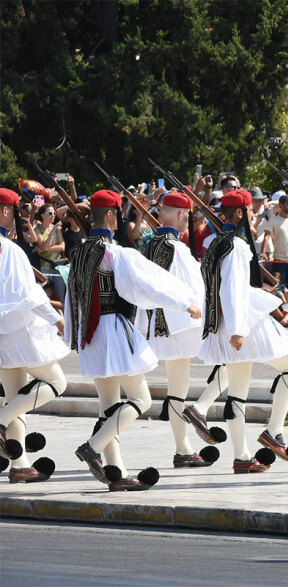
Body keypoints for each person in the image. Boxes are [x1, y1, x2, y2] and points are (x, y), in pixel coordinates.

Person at [67, 190, 202, 491]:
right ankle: (93, 445)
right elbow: (147, 284)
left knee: (108, 406)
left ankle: (116, 473)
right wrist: (183, 302)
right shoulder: (114, 253)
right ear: (112, 215)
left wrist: (75, 338)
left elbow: (71, 302)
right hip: (113, 330)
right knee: (141, 399)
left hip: (90, 338)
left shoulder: (79, 254)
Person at [196, 189, 288, 474]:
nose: (254, 213)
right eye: (249, 210)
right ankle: (274, 430)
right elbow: (232, 288)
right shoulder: (235, 245)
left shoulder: (216, 242)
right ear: (239, 213)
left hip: (224, 321)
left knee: (237, 392)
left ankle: (242, 456)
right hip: (241, 321)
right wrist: (237, 329)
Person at [136, 192, 223, 468]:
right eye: (189, 216)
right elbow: (194, 288)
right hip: (184, 323)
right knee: (234, 359)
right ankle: (201, 408)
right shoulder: (177, 248)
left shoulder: (150, 245)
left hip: (161, 327)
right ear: (183, 214)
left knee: (176, 389)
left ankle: (183, 449)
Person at [0, 188, 69, 483]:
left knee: (16, 398)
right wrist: (57, 318)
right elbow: (29, 295)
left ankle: (20, 465)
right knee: (56, 381)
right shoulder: (10, 250)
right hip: (16, 331)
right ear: (6, 211)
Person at [261, 194, 288, 313]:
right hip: (279, 259)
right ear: (281, 205)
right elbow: (267, 236)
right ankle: (284, 313)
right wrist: (263, 252)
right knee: (281, 288)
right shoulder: (274, 220)